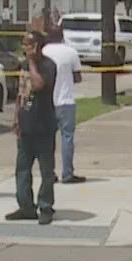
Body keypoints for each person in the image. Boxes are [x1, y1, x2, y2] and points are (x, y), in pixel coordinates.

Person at [5, 29, 58, 226]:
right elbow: (22, 93)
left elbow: (38, 85)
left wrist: (33, 62)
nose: (26, 48)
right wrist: (16, 118)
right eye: (24, 44)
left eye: (30, 44)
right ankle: (26, 206)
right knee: (22, 169)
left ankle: (45, 206)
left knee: (46, 170)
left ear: (39, 45)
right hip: (26, 125)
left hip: (44, 125)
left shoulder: (47, 65)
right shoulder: (24, 65)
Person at [41, 21, 85, 184]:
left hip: (47, 102)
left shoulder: (43, 52)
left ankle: (49, 173)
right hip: (66, 101)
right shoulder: (71, 52)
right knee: (67, 138)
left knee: (47, 139)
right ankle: (67, 173)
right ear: (62, 35)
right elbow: (78, 77)